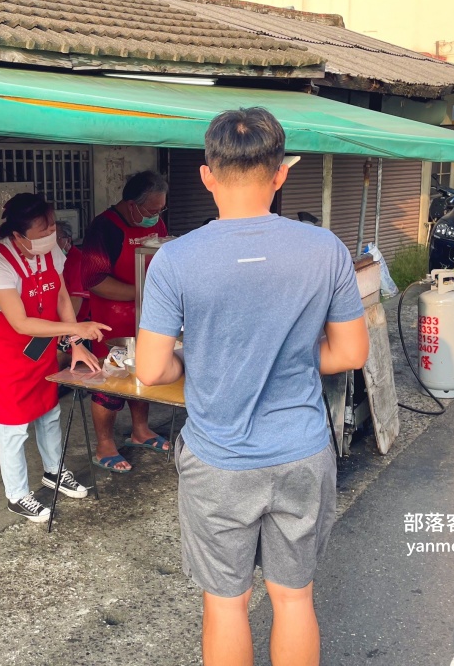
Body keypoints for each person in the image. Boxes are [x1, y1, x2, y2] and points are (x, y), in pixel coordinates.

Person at [135, 108, 369, 666]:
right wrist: (285, 353)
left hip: (218, 459)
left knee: (225, 604)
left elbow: (150, 368)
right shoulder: (326, 250)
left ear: (207, 176)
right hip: (302, 452)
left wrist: (201, 362)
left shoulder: (175, 259)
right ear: (280, 174)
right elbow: (350, 353)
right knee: (293, 599)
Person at [0, 193, 111, 523]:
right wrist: (74, 327)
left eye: (51, 224)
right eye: (43, 229)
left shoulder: (50, 250)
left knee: (49, 413)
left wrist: (76, 341)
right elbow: (20, 322)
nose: (52, 232)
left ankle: (54, 472)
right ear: (18, 234)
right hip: (8, 353)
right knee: (13, 427)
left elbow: (61, 294)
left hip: (41, 349)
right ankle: (17, 494)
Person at [80, 171, 170, 472]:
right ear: (132, 204)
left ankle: (140, 430)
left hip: (147, 315)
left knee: (143, 371)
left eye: (160, 210)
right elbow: (94, 280)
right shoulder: (103, 228)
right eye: (151, 210)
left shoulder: (154, 219)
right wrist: (140, 293)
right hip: (111, 320)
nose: (156, 217)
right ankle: (104, 444)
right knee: (111, 380)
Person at [56, 221, 90, 322]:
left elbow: (76, 297)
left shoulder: (76, 260)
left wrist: (67, 326)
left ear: (68, 240)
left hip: (77, 321)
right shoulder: (55, 259)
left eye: (56, 238)